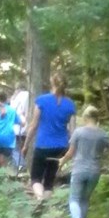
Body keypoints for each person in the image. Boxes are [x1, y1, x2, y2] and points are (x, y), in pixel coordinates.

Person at [61, 105, 109, 218]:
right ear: (97, 118)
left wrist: (62, 161)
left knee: (74, 199)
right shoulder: (103, 134)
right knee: (84, 199)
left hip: (79, 169)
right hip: (95, 171)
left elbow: (70, 152)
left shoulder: (78, 132)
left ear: (85, 117)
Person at [22, 72, 76, 200]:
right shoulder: (70, 105)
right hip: (60, 147)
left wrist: (25, 145)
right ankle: (45, 205)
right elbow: (73, 131)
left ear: (52, 83)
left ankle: (40, 199)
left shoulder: (42, 101)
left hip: (43, 145)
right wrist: (71, 149)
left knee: (35, 178)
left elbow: (33, 125)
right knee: (49, 183)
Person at [0, 91, 23, 169]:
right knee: (13, 154)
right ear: (6, 99)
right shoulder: (12, 110)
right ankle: (19, 168)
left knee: (1, 155)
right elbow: (21, 123)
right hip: (9, 137)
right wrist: (21, 116)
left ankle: (3, 173)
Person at [10, 85, 31, 172]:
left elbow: (12, 111)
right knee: (22, 148)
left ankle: (21, 166)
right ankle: (18, 168)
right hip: (27, 128)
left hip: (17, 127)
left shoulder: (18, 97)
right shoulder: (30, 95)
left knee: (15, 149)